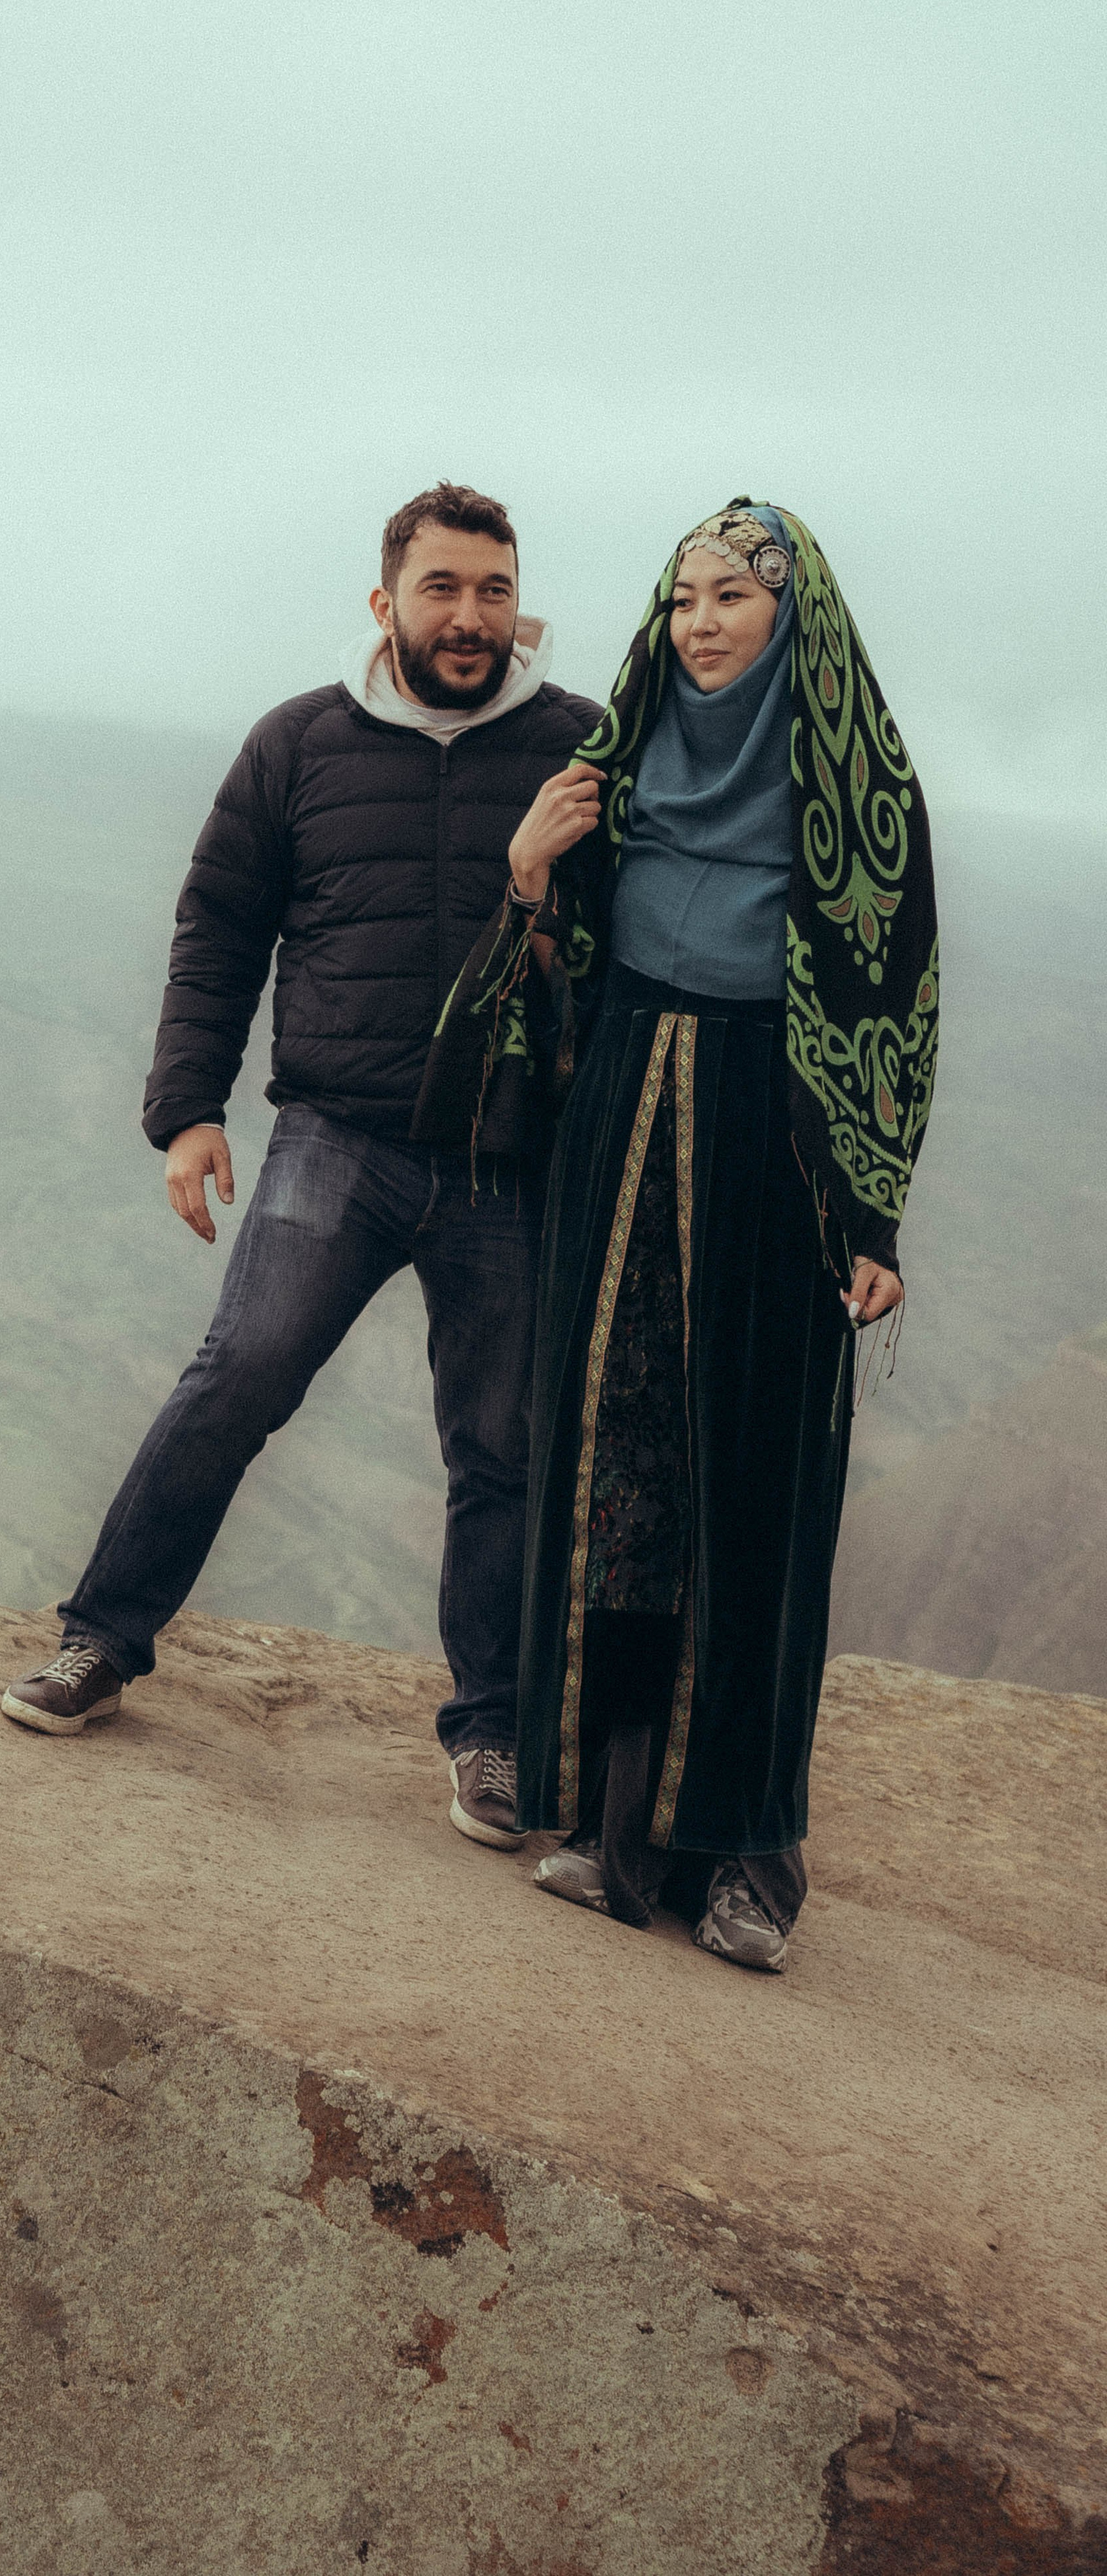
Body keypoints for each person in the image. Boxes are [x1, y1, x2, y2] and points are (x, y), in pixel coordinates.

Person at [0, 482, 601, 1844]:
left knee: (500, 1451)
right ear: (382, 601)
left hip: (509, 1165)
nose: (468, 618)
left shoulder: (576, 750)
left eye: (492, 592)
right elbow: (217, 925)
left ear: (521, 606)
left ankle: (491, 1733)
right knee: (236, 1380)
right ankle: (99, 1640)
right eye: (441, 589)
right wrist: (187, 1111)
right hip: (339, 1133)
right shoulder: (299, 744)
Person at [417, 498, 938, 1969]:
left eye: (730, 596)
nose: (699, 623)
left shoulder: (855, 783)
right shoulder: (619, 763)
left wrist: (868, 1207)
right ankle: (603, 1822)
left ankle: (740, 1857)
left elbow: (890, 1014)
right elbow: (552, 978)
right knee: (613, 1468)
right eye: (680, 598)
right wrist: (529, 868)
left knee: (751, 1487)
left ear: (793, 616)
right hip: (617, 1133)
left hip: (768, 1146)